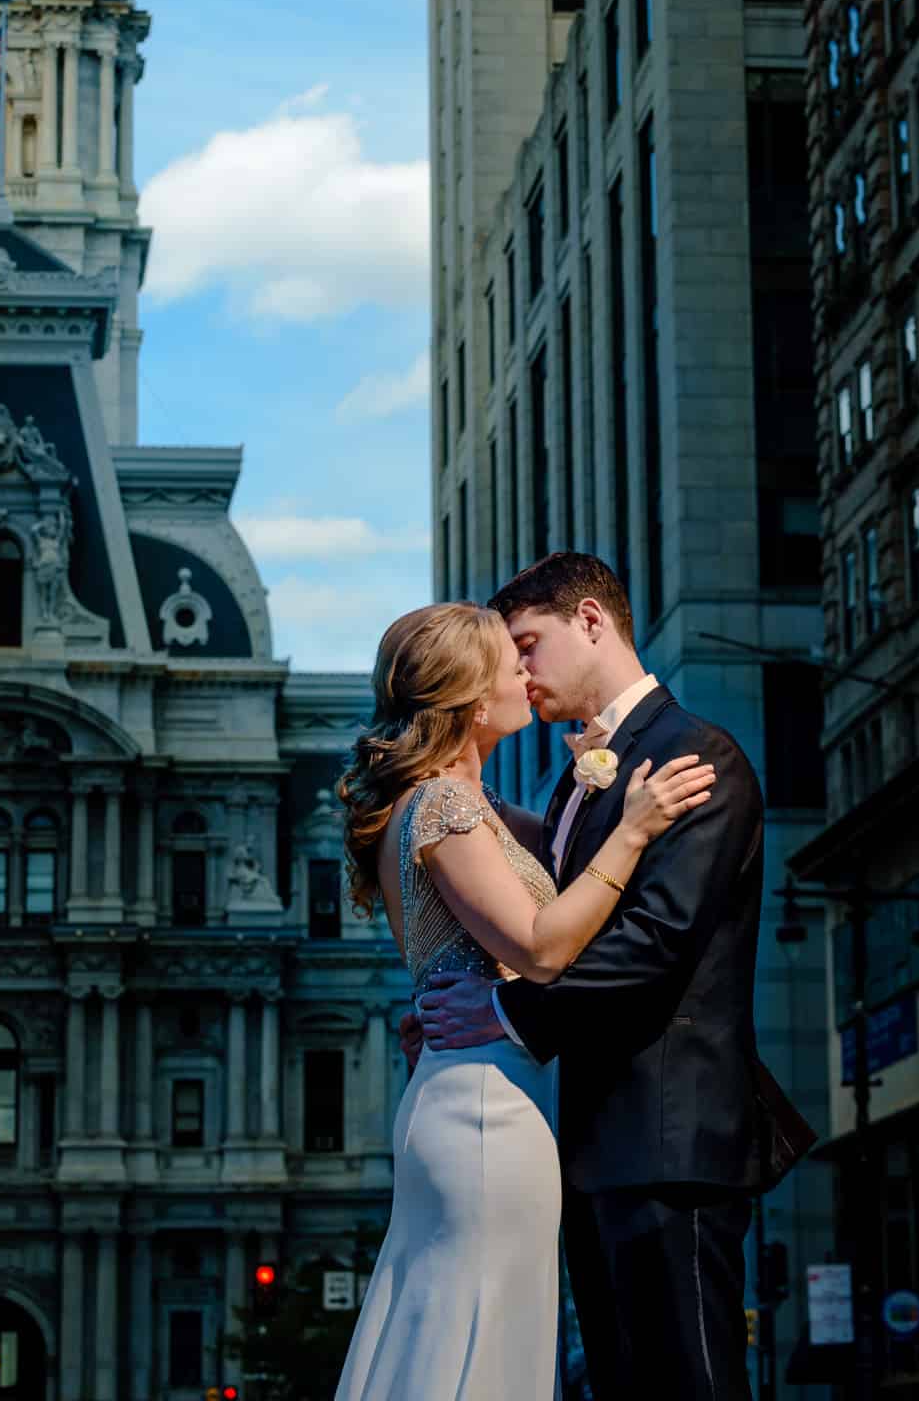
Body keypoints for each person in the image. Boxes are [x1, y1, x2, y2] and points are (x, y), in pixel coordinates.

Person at [332, 598, 714, 1400]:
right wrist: (634, 829)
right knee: (476, 1338)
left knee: (466, 1330)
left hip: (480, 1092)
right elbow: (539, 947)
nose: (527, 675)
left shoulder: (454, 804)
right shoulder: (443, 803)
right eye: (512, 664)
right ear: (473, 699)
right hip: (483, 1111)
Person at [413, 552, 770, 1401]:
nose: (518, 673)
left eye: (527, 644)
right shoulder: (576, 777)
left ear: (588, 620)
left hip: (664, 1139)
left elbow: (655, 942)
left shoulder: (692, 755)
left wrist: (503, 1012)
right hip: (592, 1142)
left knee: (692, 1385)